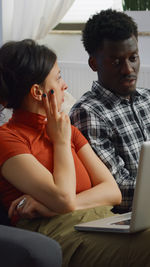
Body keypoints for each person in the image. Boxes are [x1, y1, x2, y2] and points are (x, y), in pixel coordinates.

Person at [1, 40, 150, 267]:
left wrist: (50, 206)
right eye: (59, 77)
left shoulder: (68, 129)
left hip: (105, 221)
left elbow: (112, 192)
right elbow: (63, 196)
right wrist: (60, 143)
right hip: (61, 235)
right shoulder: (8, 138)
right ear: (37, 92)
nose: (65, 86)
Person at [70, 9, 150, 213]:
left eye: (133, 58)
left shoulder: (147, 98)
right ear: (93, 63)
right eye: (116, 62)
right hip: (130, 215)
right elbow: (118, 190)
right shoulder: (87, 113)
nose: (128, 69)